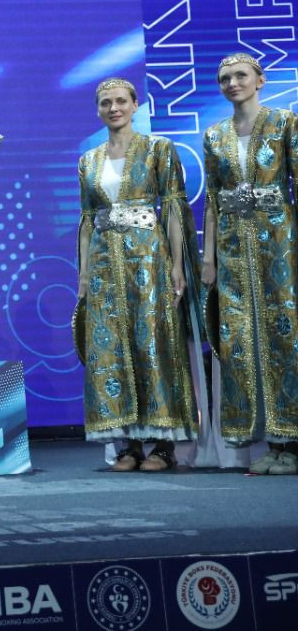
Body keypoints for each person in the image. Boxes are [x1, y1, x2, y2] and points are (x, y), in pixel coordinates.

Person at [76, 77, 199, 471]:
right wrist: (83, 275)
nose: (113, 108)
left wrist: (177, 264)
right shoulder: (88, 159)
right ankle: (127, 445)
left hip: (148, 260)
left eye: (120, 101)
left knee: (153, 343)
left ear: (134, 105)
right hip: (103, 266)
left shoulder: (158, 149)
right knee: (110, 348)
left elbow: (174, 208)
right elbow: (87, 220)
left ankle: (163, 445)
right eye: (105, 103)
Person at [202, 52, 298, 475]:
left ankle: (292, 442)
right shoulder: (214, 135)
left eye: (240, 75)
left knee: (285, 333)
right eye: (224, 78)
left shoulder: (284, 123)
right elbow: (212, 200)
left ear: (260, 80)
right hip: (232, 247)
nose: (232, 83)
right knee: (241, 338)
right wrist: (208, 257)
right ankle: (271, 441)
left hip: (279, 242)